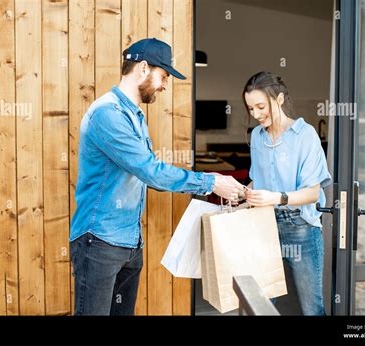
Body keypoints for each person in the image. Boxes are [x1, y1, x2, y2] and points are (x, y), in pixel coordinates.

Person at [69, 38, 244, 315]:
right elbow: (151, 171)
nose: (164, 85)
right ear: (142, 68)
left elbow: (150, 175)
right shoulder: (108, 114)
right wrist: (211, 181)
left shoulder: (134, 116)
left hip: (129, 243)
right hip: (100, 242)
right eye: (163, 76)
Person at [242, 71, 332, 316]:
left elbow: (313, 193)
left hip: (300, 227)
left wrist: (277, 198)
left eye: (261, 106)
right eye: (251, 109)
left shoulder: (305, 135)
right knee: (262, 305)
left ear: (279, 99)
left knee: (310, 309)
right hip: (264, 225)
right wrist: (241, 192)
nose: (256, 115)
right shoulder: (257, 137)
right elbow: (257, 179)